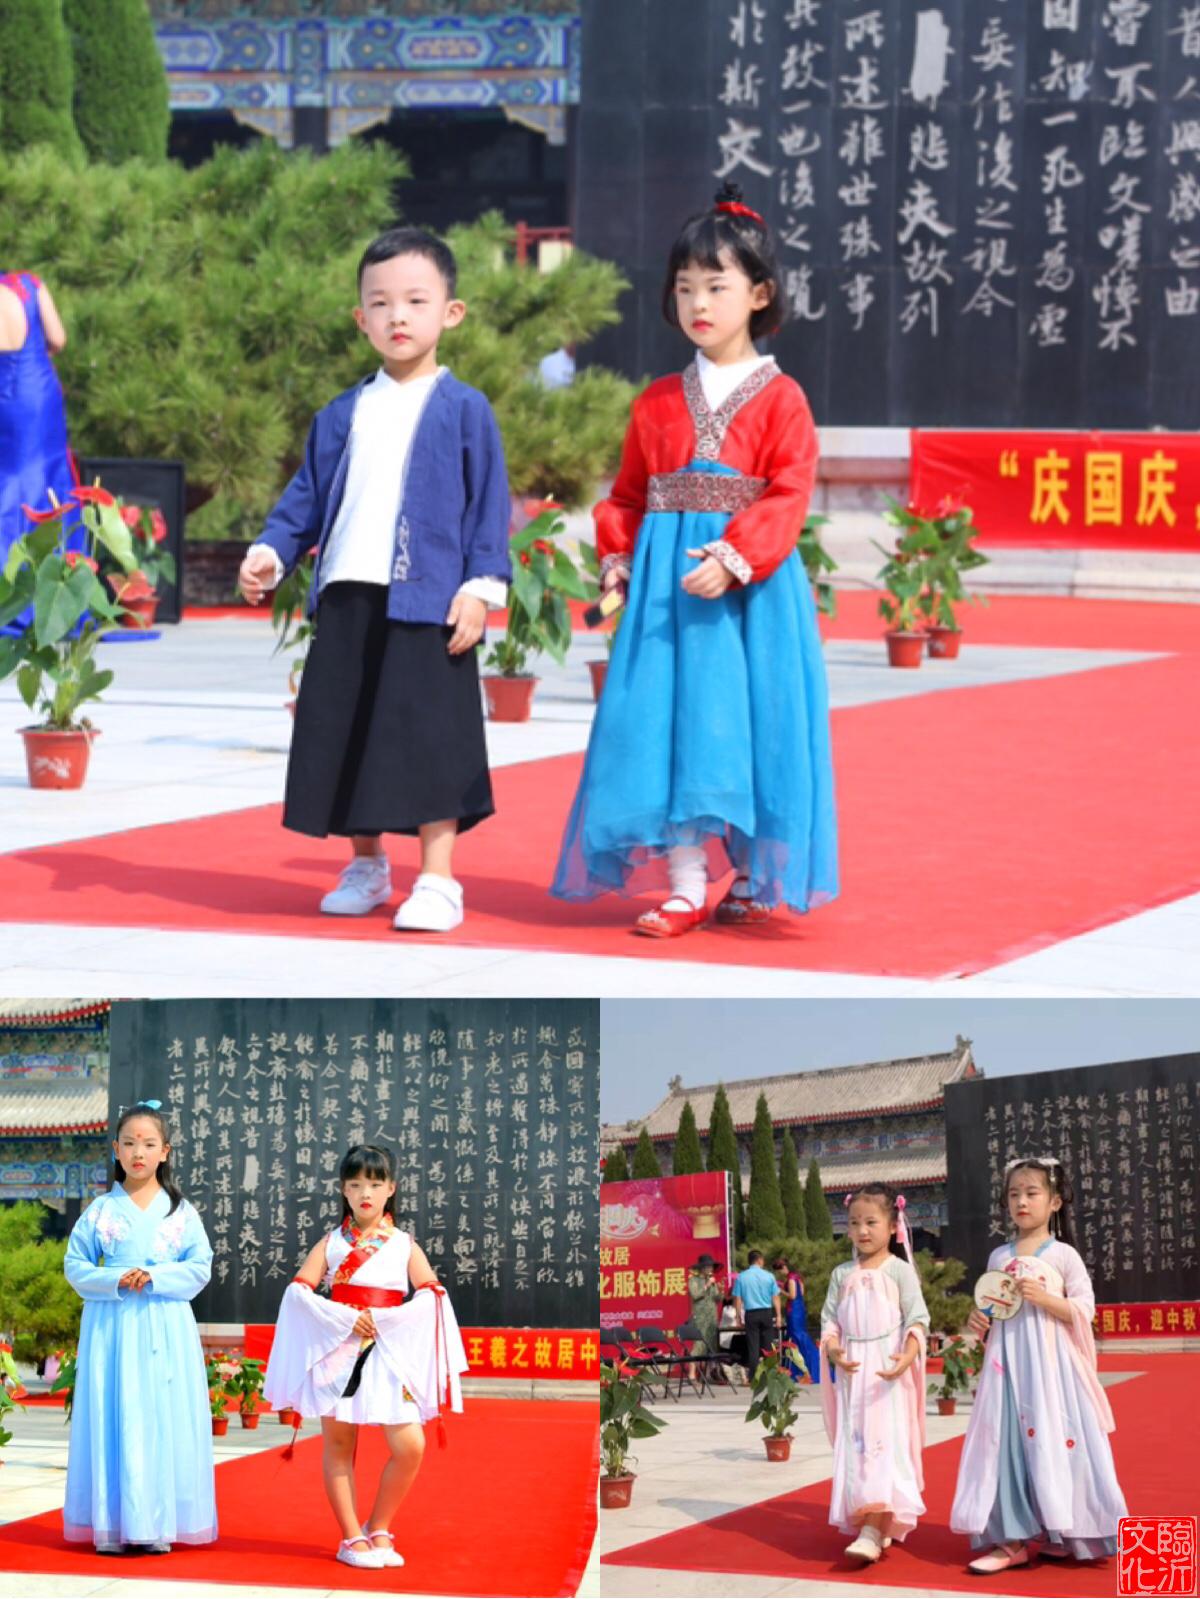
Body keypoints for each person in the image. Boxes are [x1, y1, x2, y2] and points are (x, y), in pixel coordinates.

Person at [550, 179, 838, 936]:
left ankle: (750, 876)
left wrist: (738, 557)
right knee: (662, 727)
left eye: (716, 285)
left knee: (745, 724)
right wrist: (618, 561)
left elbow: (789, 492)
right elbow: (626, 496)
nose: (697, 303)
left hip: (750, 594)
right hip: (664, 595)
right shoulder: (654, 401)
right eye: (684, 287)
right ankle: (683, 884)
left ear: (760, 294)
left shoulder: (782, 398)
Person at [238, 227, 511, 934]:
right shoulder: (341, 413)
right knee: (351, 728)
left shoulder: (464, 409)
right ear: (360, 318)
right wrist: (271, 551)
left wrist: (481, 587)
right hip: (348, 592)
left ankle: (438, 879)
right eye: (381, 303)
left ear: (451, 312)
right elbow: (304, 499)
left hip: (429, 600)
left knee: (429, 738)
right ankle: (366, 865)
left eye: (416, 301)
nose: (398, 317)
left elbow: (489, 506)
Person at [262, 1143, 468, 1571]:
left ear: (391, 1188)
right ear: (344, 1190)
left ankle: (380, 1525)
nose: (365, 1193)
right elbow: (298, 1292)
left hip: (388, 1354)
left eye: (374, 1184)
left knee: (410, 1445)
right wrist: (343, 1318)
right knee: (340, 1445)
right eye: (355, 1185)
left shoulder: (404, 1244)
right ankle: (351, 1535)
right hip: (340, 1354)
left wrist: (389, 1320)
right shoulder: (331, 1243)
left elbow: (432, 1293)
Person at [950, 1156, 1129, 1575]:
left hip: (1052, 1370)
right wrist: (980, 1320)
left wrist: (1046, 1299)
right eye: (1014, 1194)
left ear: (1054, 1202)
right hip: (1007, 1368)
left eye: (1032, 1193)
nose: (1021, 1202)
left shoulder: (1064, 1256)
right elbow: (994, 1309)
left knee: (1057, 1442)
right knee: (1005, 1445)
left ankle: (1062, 1531)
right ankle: (1011, 1540)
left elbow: (1084, 1310)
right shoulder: (998, 1256)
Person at [62, 1101, 216, 1553]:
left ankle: (158, 1524)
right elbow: (75, 1265)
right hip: (113, 1324)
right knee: (116, 1412)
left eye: (148, 1144)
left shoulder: (181, 1212)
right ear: (115, 1149)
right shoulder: (100, 1210)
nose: (138, 1153)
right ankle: (113, 1523)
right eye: (129, 1143)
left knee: (161, 1416)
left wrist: (155, 1277)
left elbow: (200, 1266)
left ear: (165, 1151)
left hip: (163, 1323)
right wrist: (114, 1279)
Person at [820, 1184, 929, 1566]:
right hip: (854, 1373)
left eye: (871, 1222)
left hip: (887, 1373)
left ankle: (872, 1529)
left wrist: (907, 1356)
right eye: (854, 1223)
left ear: (893, 1225)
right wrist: (834, 1348)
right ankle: (874, 1521)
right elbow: (829, 1321)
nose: (862, 1231)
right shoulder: (841, 1274)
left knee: (886, 1446)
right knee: (859, 1446)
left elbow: (918, 1319)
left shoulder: (899, 1271)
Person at [0, 270, 77, 628]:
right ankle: (52, 596)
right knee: (46, 479)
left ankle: (10, 593)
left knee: (9, 481)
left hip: (5, 396)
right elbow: (58, 338)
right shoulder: (29, 284)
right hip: (38, 390)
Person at [731, 1249, 783, 1378]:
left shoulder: (741, 1277)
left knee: (753, 1346)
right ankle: (770, 1374)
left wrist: (738, 1317)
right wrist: (778, 1316)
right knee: (768, 1345)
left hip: (751, 1314)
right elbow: (775, 1297)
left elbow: (737, 1298)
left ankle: (754, 1376)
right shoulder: (769, 1276)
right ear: (759, 1260)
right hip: (766, 1312)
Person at [774, 1254, 821, 1384]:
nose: (779, 1273)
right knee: (800, 1336)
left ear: (784, 1267)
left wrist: (780, 1290)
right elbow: (802, 1293)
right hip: (800, 1308)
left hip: (793, 1310)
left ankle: (801, 1369)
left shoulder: (790, 1279)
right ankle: (807, 1367)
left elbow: (792, 1296)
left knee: (796, 1337)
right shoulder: (797, 1277)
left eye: (779, 1270)